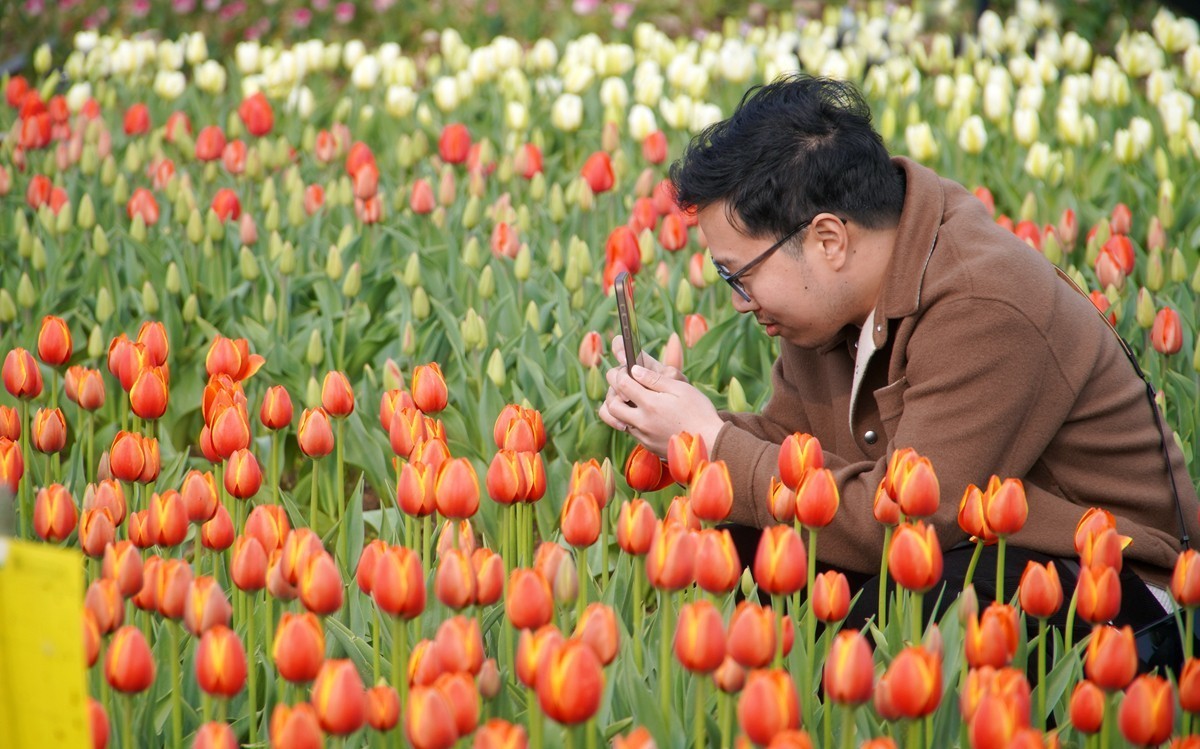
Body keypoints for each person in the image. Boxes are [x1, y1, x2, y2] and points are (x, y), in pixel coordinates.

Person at [598, 74, 1200, 652]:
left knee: (898, 613)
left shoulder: (982, 301)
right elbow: (792, 449)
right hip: (977, 549)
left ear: (828, 239)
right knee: (746, 547)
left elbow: (906, 523)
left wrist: (710, 444)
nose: (736, 300)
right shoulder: (829, 306)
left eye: (739, 274)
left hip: (1114, 584)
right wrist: (678, 424)